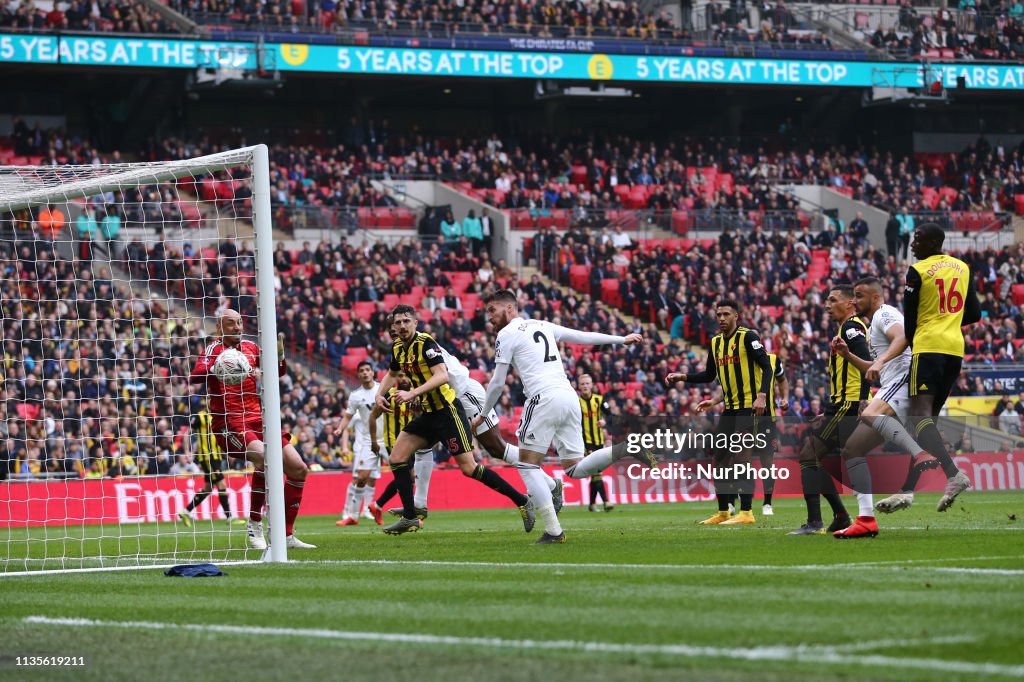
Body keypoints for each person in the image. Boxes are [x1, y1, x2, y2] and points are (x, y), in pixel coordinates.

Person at [475, 290, 656, 544]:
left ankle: (553, 531)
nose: (489, 317)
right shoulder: (542, 325)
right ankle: (625, 449)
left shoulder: (506, 334)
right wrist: (620, 339)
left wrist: (483, 415)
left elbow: (496, 383)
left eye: (492, 310)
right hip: (568, 397)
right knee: (573, 468)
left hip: (543, 398)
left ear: (509, 309)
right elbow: (581, 337)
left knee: (527, 465)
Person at [377, 305, 534, 535]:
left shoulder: (426, 344)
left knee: (469, 468)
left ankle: (522, 500)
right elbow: (391, 373)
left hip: (447, 412)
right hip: (428, 413)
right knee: (397, 457)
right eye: (398, 322)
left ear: (415, 323)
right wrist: (379, 394)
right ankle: (411, 517)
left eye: (406, 321)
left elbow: (441, 376)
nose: (401, 326)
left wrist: (412, 393)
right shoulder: (398, 348)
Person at [875, 224, 981, 513]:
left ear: (935, 242)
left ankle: (953, 474)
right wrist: (947, 321)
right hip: (954, 349)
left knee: (918, 418)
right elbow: (974, 313)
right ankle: (907, 491)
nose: (912, 245)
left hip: (928, 347)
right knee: (926, 424)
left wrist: (926, 330)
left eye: (918, 240)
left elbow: (909, 320)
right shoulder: (962, 267)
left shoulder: (918, 270)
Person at [188, 310, 315, 550]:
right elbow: (195, 375)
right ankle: (255, 523)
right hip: (229, 422)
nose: (237, 327)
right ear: (219, 327)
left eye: (239, 322)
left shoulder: (251, 347)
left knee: (299, 469)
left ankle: (286, 535)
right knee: (267, 459)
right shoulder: (214, 349)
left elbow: (278, 373)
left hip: (259, 419)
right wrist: (220, 367)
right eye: (231, 323)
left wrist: (279, 356)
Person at [829, 276, 936, 538]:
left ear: (875, 297)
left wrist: (881, 362)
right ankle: (866, 520)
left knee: (868, 414)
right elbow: (874, 367)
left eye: (859, 295)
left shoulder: (883, 314)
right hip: (893, 383)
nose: (854, 300)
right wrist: (848, 356)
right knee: (853, 449)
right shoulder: (874, 324)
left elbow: (903, 337)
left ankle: (919, 453)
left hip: (903, 380)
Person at [666, 300, 774, 526]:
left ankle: (746, 512)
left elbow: (767, 367)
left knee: (741, 458)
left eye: (726, 314)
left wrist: (762, 395)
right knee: (720, 458)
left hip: (749, 408)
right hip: (730, 409)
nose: (722, 318)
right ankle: (724, 511)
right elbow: (708, 375)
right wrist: (683, 377)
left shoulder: (748, 337)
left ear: (737, 316)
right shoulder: (715, 343)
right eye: (718, 315)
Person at [787, 286, 868, 535]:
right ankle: (840, 515)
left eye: (833, 300)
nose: (827, 304)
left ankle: (817, 521)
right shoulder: (844, 329)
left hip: (849, 403)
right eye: (826, 300)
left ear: (850, 303)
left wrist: (863, 399)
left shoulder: (851, 327)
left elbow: (867, 363)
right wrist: (827, 409)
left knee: (809, 455)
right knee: (811, 456)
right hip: (841, 403)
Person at [368, 369, 434, 521]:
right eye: (400, 376)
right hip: (393, 442)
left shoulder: (414, 394)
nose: (404, 379)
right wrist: (373, 442)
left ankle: (378, 505)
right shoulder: (388, 395)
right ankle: (411, 514)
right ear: (395, 377)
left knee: (407, 478)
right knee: (409, 476)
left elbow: (421, 417)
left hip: (411, 442)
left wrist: (418, 410)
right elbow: (373, 417)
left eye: (406, 376)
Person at [178, 398, 246, 526]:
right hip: (208, 457)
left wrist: (228, 453)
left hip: (216, 457)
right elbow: (187, 434)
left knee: (208, 488)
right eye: (210, 399)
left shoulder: (218, 417)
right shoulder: (200, 417)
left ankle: (186, 511)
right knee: (221, 484)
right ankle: (230, 517)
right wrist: (188, 451)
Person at [333, 361, 385, 526]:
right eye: (361, 371)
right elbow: (348, 416)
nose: (365, 373)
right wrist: (340, 429)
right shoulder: (356, 395)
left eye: (367, 370)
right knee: (361, 477)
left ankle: (412, 513)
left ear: (372, 372)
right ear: (358, 375)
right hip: (369, 441)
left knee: (405, 474)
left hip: (389, 438)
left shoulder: (382, 389)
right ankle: (353, 516)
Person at [578, 374, 613, 512]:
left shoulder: (599, 400)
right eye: (583, 384)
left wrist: (604, 421)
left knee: (595, 473)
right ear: (579, 386)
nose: (585, 386)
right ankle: (606, 501)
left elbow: (610, 415)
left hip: (599, 442)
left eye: (587, 383)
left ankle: (592, 504)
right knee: (597, 472)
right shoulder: (576, 402)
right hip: (585, 443)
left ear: (591, 385)